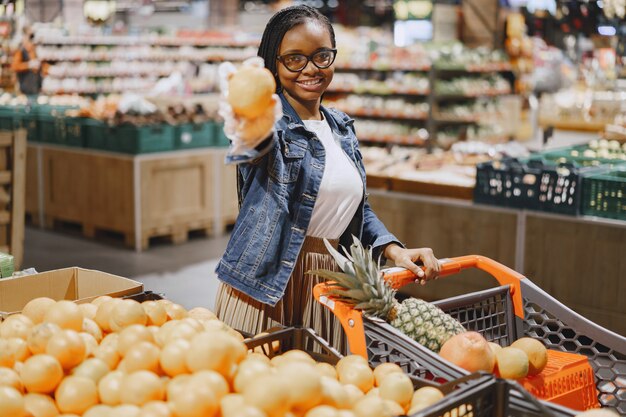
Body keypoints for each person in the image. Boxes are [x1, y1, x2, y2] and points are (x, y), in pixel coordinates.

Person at [214, 5, 440, 353]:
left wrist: (396, 251)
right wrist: (247, 116)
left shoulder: (341, 127)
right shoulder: (272, 124)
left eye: (321, 56)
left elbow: (356, 211)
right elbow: (252, 146)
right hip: (269, 280)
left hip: (331, 280)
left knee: (320, 396)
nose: (310, 69)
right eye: (294, 59)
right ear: (274, 62)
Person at [11, 28, 43, 95]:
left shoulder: (34, 51)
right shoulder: (20, 51)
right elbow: (14, 66)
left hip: (36, 87)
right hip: (25, 88)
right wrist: (28, 65)